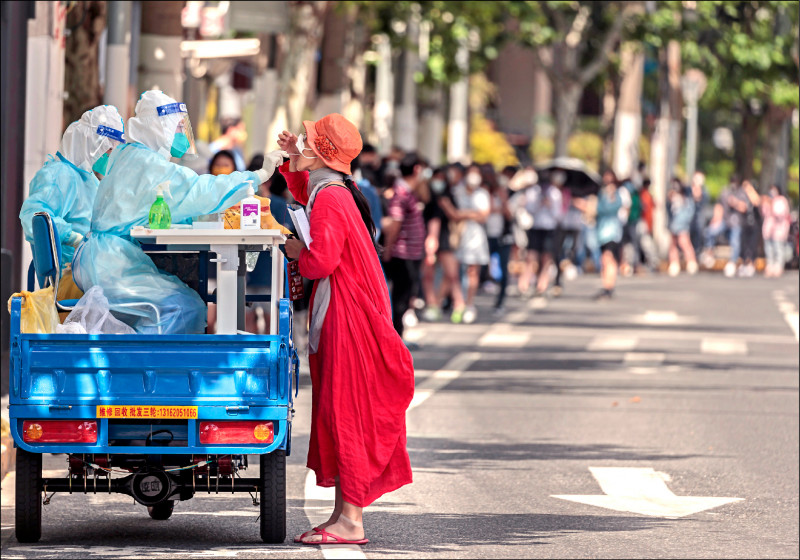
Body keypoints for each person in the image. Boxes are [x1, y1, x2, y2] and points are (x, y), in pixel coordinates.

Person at [277, 113, 414, 546]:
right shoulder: (334, 189)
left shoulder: (332, 198)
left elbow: (322, 261)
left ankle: (351, 521)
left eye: (307, 139)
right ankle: (342, 515)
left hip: (346, 314)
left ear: (321, 152)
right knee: (339, 409)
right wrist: (295, 157)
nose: (300, 141)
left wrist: (297, 250)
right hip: (345, 309)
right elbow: (307, 191)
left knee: (347, 410)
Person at [72, 90, 284, 334]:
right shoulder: (146, 164)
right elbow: (198, 190)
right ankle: (145, 369)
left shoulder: (130, 155)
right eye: (177, 128)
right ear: (158, 127)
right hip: (111, 265)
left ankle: (146, 366)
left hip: (105, 259)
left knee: (184, 303)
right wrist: (256, 176)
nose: (182, 135)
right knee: (185, 307)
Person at [20, 105, 126, 275]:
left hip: (90, 268)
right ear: (90, 142)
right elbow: (34, 215)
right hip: (74, 273)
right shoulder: (59, 175)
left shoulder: (88, 179)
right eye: (108, 148)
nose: (109, 154)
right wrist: (73, 237)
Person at [381, 152, 426, 338]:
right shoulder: (401, 193)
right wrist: (388, 250)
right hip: (402, 254)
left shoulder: (408, 191)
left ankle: (397, 336)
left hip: (410, 253)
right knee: (400, 299)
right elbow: (395, 224)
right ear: (416, 169)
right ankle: (395, 338)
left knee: (405, 297)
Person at [420, 167, 466, 322]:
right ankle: (432, 304)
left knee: (452, 274)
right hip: (427, 236)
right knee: (428, 274)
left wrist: (447, 206)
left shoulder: (448, 196)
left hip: (445, 237)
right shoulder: (426, 195)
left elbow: (454, 216)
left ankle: (458, 303)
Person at [453, 163, 491, 324]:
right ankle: (457, 303)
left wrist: (464, 214)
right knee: (453, 271)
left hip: (476, 237)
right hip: (458, 235)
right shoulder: (457, 191)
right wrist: (471, 214)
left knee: (472, 271)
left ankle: (469, 304)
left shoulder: (482, 194)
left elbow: (484, 216)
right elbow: (453, 214)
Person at [521, 170, 563, 298]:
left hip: (549, 228)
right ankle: (524, 285)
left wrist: (550, 205)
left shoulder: (555, 193)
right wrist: (539, 204)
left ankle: (542, 285)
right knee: (531, 257)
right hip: (536, 227)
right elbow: (528, 210)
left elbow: (558, 215)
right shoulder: (533, 192)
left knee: (546, 258)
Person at [585, 169, 624, 300]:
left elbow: (610, 208)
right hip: (601, 231)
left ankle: (609, 286)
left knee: (608, 258)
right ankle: (606, 285)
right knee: (604, 260)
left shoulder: (615, 193)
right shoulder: (601, 192)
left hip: (612, 231)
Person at [702, 174, 744, 278]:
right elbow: (719, 205)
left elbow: (745, 207)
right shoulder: (725, 192)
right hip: (725, 220)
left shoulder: (741, 193)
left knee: (735, 241)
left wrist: (736, 203)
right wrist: (716, 218)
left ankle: (732, 263)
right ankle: (709, 252)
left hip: (736, 222)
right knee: (710, 231)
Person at [666, 177, 698, 276]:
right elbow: (669, 211)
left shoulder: (686, 198)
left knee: (685, 243)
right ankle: (674, 263)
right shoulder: (672, 198)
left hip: (682, 224)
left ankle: (691, 262)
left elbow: (689, 212)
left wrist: (684, 223)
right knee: (673, 245)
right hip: (674, 224)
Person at [761, 184, 792, 278]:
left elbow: (780, 213)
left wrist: (772, 205)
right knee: (769, 249)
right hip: (768, 229)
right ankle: (770, 266)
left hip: (779, 230)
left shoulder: (781, 200)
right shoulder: (768, 200)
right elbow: (764, 213)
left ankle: (778, 266)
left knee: (778, 249)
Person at [738, 179, 762, 277]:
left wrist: (750, 191)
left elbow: (757, 202)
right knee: (744, 246)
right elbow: (741, 207)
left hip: (754, 224)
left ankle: (751, 264)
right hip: (745, 224)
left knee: (752, 245)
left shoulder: (754, 195)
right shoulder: (742, 196)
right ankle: (744, 263)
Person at [689, 171, 709, 256]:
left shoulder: (704, 191)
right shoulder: (688, 189)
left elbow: (699, 198)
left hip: (699, 217)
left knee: (699, 234)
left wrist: (697, 188)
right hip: (689, 217)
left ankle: (697, 252)